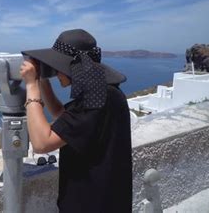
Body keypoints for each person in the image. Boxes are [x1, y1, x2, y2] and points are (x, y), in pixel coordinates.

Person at [20, 29, 132, 212]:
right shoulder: (106, 92)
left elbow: (41, 143)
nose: (56, 72)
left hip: (91, 203)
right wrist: (42, 81)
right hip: (108, 198)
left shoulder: (95, 99)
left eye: (59, 67)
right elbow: (61, 114)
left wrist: (31, 86)